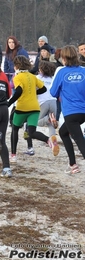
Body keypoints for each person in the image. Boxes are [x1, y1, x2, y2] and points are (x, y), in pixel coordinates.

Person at [8, 55, 59, 164]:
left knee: (15, 129)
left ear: (16, 66)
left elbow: (19, 91)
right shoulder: (33, 76)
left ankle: (13, 155)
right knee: (31, 132)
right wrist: (33, 93)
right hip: (34, 108)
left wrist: (9, 102)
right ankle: (47, 140)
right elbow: (44, 88)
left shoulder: (17, 77)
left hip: (22, 108)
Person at [50, 45, 85, 174]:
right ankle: (72, 164)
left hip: (71, 113)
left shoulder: (62, 72)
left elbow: (53, 92)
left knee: (80, 141)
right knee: (64, 132)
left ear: (64, 58)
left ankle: (73, 165)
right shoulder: (83, 71)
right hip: (83, 111)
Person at [23, 60, 58, 156]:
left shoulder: (37, 78)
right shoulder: (53, 78)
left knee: (36, 122)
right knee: (51, 124)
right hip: (53, 101)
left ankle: (48, 119)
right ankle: (53, 139)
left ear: (41, 70)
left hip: (43, 102)